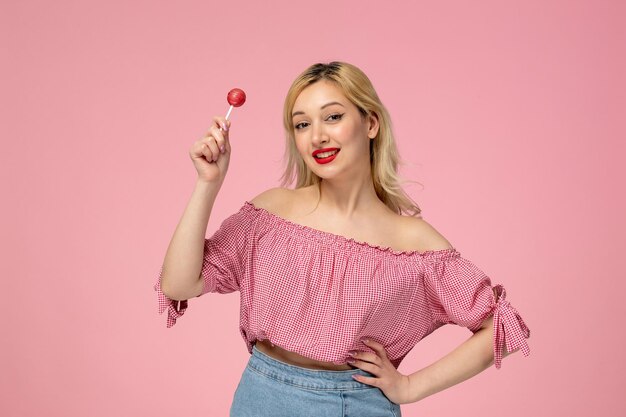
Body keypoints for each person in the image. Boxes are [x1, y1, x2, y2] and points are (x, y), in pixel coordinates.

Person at [154, 61, 531, 416]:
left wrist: (411, 386)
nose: (317, 136)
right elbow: (179, 283)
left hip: (355, 404)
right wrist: (208, 184)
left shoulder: (413, 243)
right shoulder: (270, 213)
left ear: (371, 123)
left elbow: (502, 327)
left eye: (333, 117)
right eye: (301, 125)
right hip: (260, 396)